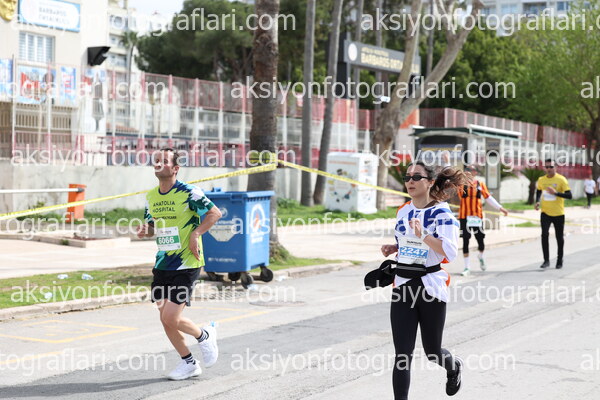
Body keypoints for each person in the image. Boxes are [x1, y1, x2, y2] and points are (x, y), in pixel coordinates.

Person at [380, 161, 469, 400]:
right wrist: (393, 248)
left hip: (430, 286)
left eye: (416, 177)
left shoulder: (442, 213)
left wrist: (424, 234)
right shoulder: (403, 211)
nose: (410, 181)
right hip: (403, 284)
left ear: (430, 182)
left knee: (432, 351)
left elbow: (449, 251)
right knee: (402, 354)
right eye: (407, 177)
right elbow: (406, 242)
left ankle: (453, 366)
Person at [137, 148, 223, 380]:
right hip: (163, 263)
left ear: (175, 168)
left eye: (164, 160)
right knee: (165, 319)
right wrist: (145, 231)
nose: (158, 163)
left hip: (187, 262)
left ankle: (204, 335)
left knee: (171, 318)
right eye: (156, 160)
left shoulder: (189, 192)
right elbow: (152, 226)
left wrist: (196, 233)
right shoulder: (151, 196)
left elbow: (214, 213)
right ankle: (189, 363)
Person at [458, 166, 508, 276]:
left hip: (476, 217)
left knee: (480, 240)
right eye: (466, 170)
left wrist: (500, 208)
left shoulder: (480, 185)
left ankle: (480, 256)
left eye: (470, 170)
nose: (468, 172)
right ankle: (467, 267)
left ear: (475, 172)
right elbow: (451, 181)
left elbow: (488, 198)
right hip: (464, 217)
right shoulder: (461, 184)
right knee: (465, 240)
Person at [535, 159, 571, 269]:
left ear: (556, 167)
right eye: (547, 167)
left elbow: (569, 195)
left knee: (559, 237)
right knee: (544, 235)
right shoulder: (541, 180)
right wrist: (537, 201)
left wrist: (556, 193)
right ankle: (546, 260)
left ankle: (559, 260)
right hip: (545, 212)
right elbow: (539, 191)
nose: (549, 169)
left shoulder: (561, 179)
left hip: (558, 213)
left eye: (551, 167)